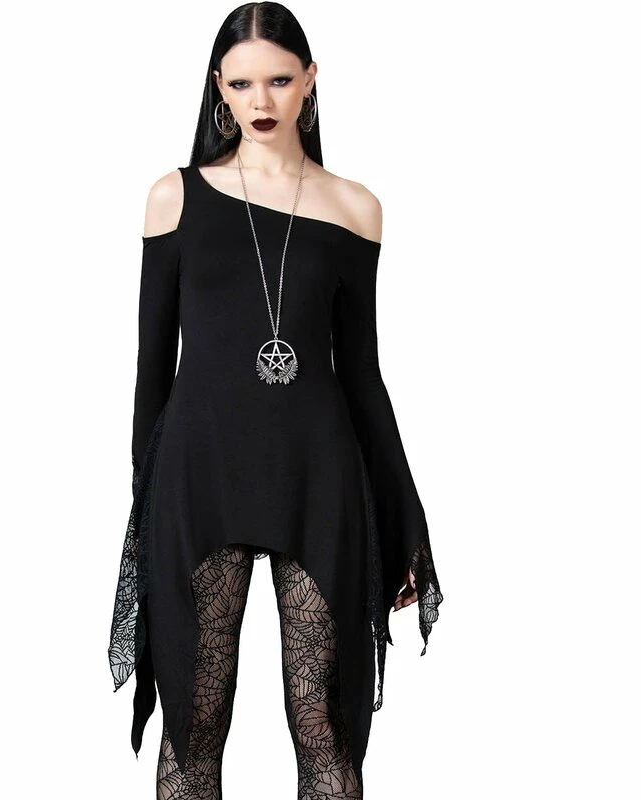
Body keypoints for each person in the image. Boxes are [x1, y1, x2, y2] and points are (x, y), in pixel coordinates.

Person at [108, 3, 444, 797]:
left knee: (324, 725)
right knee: (194, 726)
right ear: (218, 88)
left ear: (311, 80)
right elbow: (151, 372)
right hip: (199, 474)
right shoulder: (174, 197)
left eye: (280, 80)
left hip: (318, 478)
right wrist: (144, 503)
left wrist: (405, 514)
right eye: (242, 84)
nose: (260, 101)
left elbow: (361, 375)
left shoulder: (355, 207)